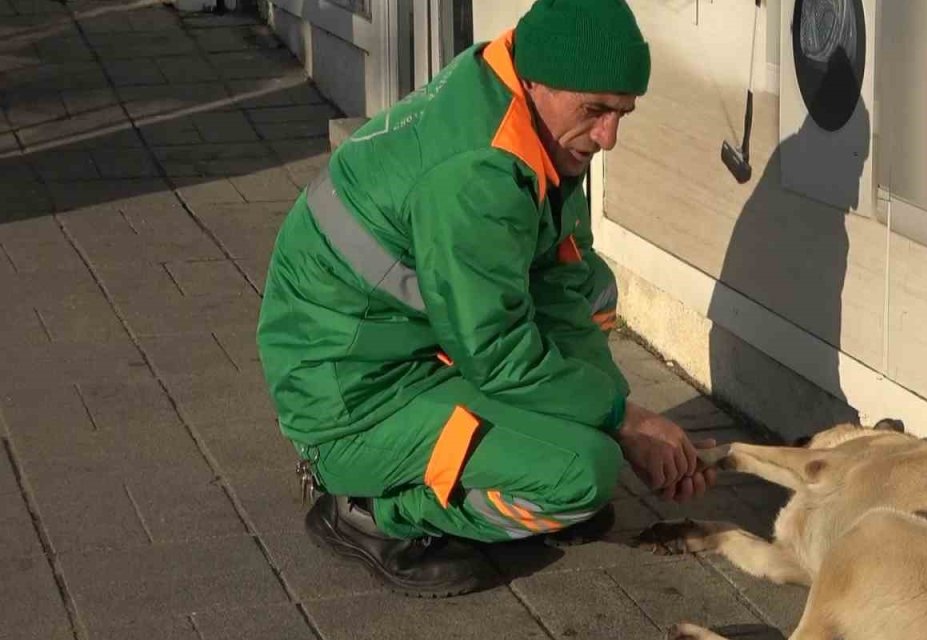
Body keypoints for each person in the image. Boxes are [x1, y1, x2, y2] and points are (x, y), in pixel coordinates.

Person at [256, 0, 717, 598]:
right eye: (597, 111)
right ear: (539, 81)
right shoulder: (479, 172)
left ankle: (535, 459)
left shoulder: (529, 118)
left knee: (595, 292)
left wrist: (617, 414)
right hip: (352, 403)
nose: (610, 137)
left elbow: (562, 285)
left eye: (623, 112)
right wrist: (624, 424)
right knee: (583, 473)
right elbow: (497, 351)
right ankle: (371, 511)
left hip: (411, 350)